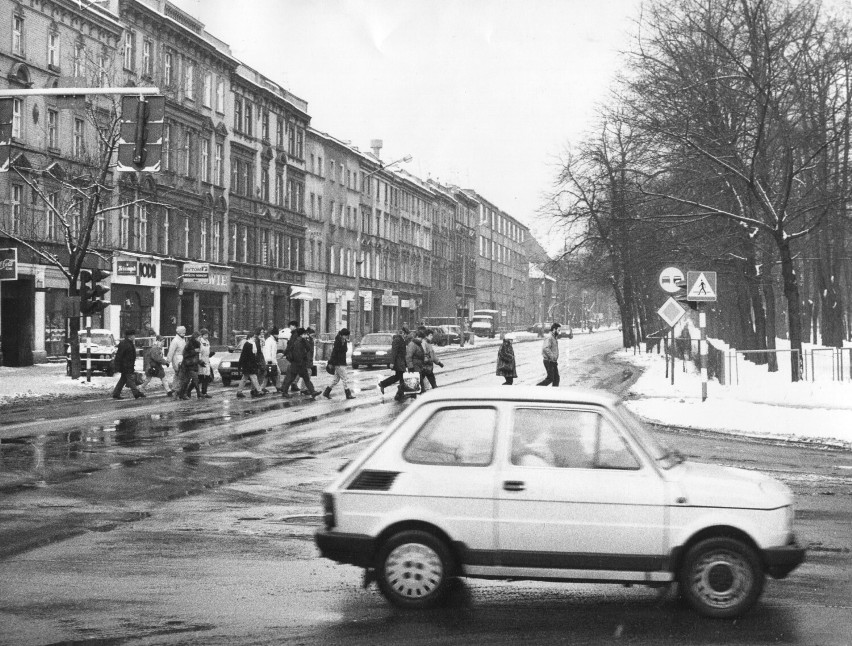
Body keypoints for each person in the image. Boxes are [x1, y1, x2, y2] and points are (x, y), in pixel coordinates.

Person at [279, 328, 321, 399]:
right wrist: (301, 363)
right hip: (297, 364)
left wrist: (305, 340)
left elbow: (308, 348)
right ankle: (284, 392)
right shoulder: (298, 342)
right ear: (302, 334)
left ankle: (312, 392)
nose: (306, 335)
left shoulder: (302, 341)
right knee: (291, 379)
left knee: (305, 379)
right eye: (305, 334)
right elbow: (298, 354)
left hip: (300, 364)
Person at [378, 327, 410, 402]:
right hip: (398, 362)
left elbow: (403, 353)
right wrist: (392, 362)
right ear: (403, 333)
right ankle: (399, 394)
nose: (406, 336)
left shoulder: (402, 340)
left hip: (401, 362)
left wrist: (406, 363)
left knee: (398, 377)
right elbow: (394, 352)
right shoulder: (397, 340)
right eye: (406, 334)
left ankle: (384, 384)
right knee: (401, 377)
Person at [112, 329, 145, 400]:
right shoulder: (125, 344)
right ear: (130, 336)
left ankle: (116, 393)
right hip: (126, 365)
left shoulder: (128, 343)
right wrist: (118, 365)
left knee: (123, 379)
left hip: (128, 365)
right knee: (131, 379)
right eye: (133, 335)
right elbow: (119, 355)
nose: (134, 336)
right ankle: (136, 393)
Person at [324, 327, 355, 400]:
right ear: (343, 335)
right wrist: (331, 362)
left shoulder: (343, 341)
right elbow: (334, 353)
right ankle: (348, 394)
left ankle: (326, 392)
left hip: (340, 362)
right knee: (345, 378)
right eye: (346, 335)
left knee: (336, 380)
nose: (347, 337)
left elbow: (345, 350)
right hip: (339, 363)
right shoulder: (338, 341)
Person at [235, 328, 265, 398]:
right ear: (251, 337)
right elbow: (244, 355)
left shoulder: (251, 344)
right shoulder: (249, 344)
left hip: (248, 365)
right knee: (254, 377)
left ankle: (239, 392)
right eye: (254, 337)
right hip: (249, 365)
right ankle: (259, 390)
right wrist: (241, 365)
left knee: (244, 378)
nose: (255, 338)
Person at [178, 331, 202, 400]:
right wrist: (194, 351)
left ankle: (182, 394)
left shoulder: (198, 344)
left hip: (193, 364)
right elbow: (185, 354)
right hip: (188, 364)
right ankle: (198, 393)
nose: (200, 339)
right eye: (199, 337)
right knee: (194, 379)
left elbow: (196, 356)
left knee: (187, 380)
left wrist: (199, 361)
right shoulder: (189, 344)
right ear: (195, 337)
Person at [537, 322, 561, 387]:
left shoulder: (553, 337)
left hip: (552, 361)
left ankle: (554, 393)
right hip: (549, 361)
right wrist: (552, 357)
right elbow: (545, 348)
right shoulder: (549, 337)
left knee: (556, 378)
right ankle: (537, 388)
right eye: (558, 330)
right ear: (554, 329)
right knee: (551, 378)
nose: (559, 332)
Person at [198, 328, 213, 398]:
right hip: (201, 361)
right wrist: (200, 360)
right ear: (201, 335)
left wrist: (210, 354)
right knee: (200, 378)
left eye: (207, 335)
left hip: (206, 361)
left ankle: (204, 392)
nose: (206, 336)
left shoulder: (207, 342)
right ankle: (188, 391)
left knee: (207, 377)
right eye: (205, 335)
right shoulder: (199, 342)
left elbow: (207, 351)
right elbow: (199, 352)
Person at [301, 327, 317, 394]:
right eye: (312, 335)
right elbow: (307, 352)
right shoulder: (307, 340)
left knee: (307, 374)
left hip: (309, 360)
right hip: (306, 360)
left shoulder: (310, 340)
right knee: (308, 373)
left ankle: (304, 389)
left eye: (314, 335)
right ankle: (305, 389)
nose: (313, 336)